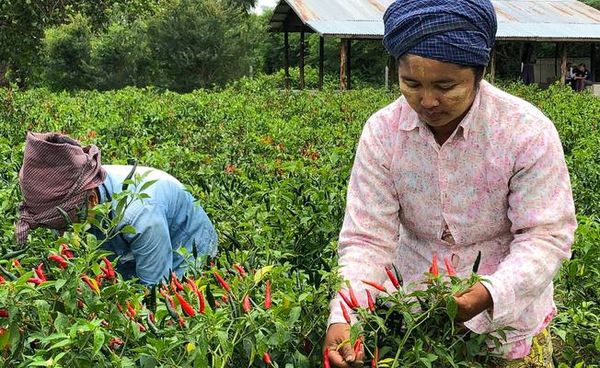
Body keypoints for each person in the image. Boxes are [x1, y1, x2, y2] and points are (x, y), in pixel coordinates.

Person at [323, 1, 577, 367]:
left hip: (508, 326)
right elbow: (367, 238)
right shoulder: (383, 133)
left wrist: (489, 293)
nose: (427, 101)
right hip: (417, 322)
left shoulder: (525, 130)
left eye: (446, 86)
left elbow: (545, 235)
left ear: (479, 73)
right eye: (411, 83)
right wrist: (344, 316)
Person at [15, 132, 218, 285]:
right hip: (128, 235)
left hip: (186, 245)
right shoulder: (76, 197)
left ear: (92, 199)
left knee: (171, 299)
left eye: (67, 224)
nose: (64, 232)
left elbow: (155, 289)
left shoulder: (140, 215)